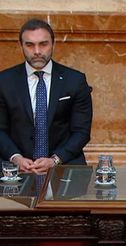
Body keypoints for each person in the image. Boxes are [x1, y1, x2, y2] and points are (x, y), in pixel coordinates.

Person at [0, 19, 92, 173]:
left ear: (53, 44)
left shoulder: (74, 81)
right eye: (29, 45)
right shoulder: (4, 81)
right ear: (21, 46)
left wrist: (54, 160)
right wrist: (16, 158)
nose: (37, 51)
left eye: (43, 44)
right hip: (15, 169)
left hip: (65, 166)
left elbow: (81, 132)